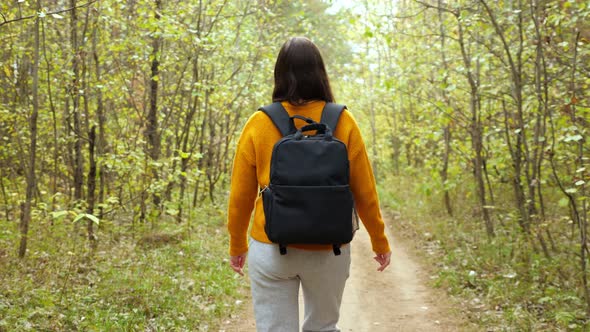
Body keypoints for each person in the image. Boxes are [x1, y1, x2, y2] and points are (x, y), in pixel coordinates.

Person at [227, 36, 392, 332]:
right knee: (323, 327)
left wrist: (237, 243)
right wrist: (379, 240)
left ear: (279, 73)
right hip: (330, 250)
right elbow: (364, 191)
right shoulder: (343, 120)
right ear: (320, 73)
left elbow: (240, 195)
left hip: (271, 245)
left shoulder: (259, 122)